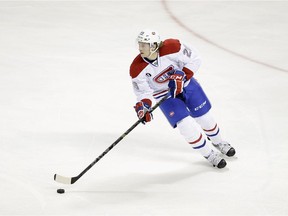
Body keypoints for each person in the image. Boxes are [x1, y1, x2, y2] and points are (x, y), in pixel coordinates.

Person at [129, 29, 235, 168]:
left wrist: (182, 75)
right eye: (140, 44)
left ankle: (219, 142)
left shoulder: (173, 47)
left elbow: (195, 58)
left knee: (205, 119)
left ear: (154, 46)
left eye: (144, 44)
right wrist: (144, 107)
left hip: (186, 84)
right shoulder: (136, 68)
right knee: (186, 126)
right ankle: (209, 154)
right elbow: (143, 92)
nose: (140, 48)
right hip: (164, 95)